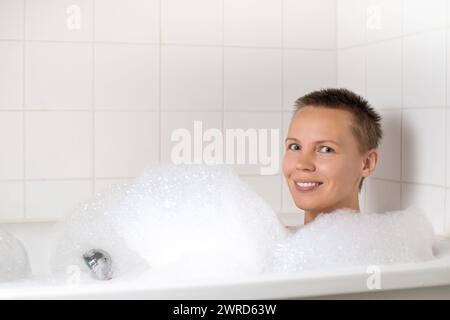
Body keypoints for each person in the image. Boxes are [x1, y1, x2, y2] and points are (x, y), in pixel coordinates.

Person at [283, 88, 383, 225]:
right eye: (295, 146)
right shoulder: (268, 240)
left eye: (326, 149)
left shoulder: (372, 246)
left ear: (367, 163)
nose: (302, 164)